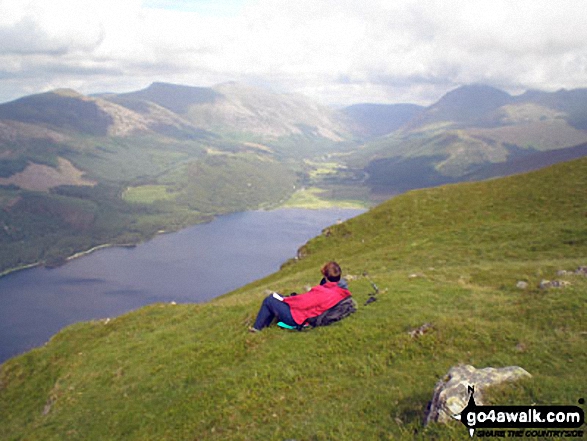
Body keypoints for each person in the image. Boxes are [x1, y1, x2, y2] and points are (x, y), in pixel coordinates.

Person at [250, 261, 352, 332]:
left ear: (325, 276)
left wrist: (286, 299)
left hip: (298, 319)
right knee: (278, 298)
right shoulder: (341, 291)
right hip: (312, 315)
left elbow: (301, 304)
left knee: (270, 300)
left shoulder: (322, 291)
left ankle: (257, 329)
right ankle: (265, 326)